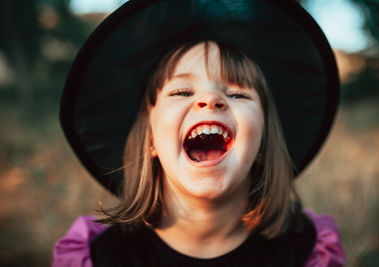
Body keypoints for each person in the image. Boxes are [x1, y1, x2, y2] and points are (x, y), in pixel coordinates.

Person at [53, 0, 345, 266]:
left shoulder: (307, 252)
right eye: (181, 91)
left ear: (262, 141)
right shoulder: (99, 256)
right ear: (152, 138)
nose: (210, 100)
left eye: (237, 94)